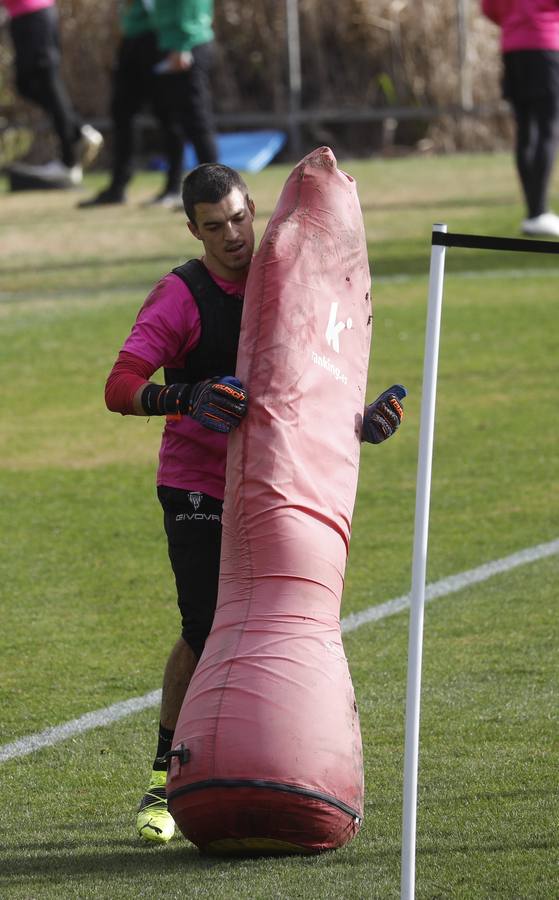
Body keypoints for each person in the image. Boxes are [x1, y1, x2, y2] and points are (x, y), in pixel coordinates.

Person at [104, 163, 406, 844]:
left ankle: (274, 761)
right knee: (206, 623)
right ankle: (163, 777)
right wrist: (186, 398)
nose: (232, 236)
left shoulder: (283, 282)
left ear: (253, 210)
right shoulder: (180, 296)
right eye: (214, 227)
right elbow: (119, 385)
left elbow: (298, 392)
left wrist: (356, 422)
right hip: (197, 483)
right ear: (193, 229)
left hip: (270, 480)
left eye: (240, 219)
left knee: (281, 615)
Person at [79, 0, 218, 209]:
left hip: (175, 39)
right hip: (150, 35)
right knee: (124, 110)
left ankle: (213, 192)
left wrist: (182, 42)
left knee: (186, 117)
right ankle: (120, 186)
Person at [2, 0, 103, 187]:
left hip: (34, 16)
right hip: (24, 18)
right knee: (25, 85)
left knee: (48, 83)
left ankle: (69, 159)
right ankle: (77, 130)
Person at [482, 0, 559, 237]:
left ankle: (534, 212)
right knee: (548, 129)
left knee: (526, 130)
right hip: (546, 46)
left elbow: (489, 8)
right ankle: (539, 213)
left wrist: (515, 23)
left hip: (513, 50)